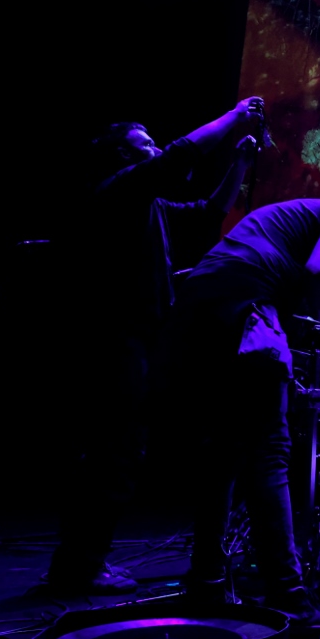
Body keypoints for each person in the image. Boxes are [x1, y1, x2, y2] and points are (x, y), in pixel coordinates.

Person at [45, 97, 266, 595]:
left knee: (116, 452)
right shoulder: (121, 189)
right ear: (124, 156)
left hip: (136, 341)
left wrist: (238, 163)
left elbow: (209, 212)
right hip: (116, 342)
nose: (157, 149)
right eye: (145, 144)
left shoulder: (150, 205)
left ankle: (78, 562)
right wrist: (235, 117)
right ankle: (82, 566)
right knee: (115, 454)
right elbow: (181, 154)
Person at [171, 188, 320, 623]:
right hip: (243, 309)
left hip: (197, 311)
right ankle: (288, 596)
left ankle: (205, 582)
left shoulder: (290, 214)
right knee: (268, 452)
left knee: (223, 454)